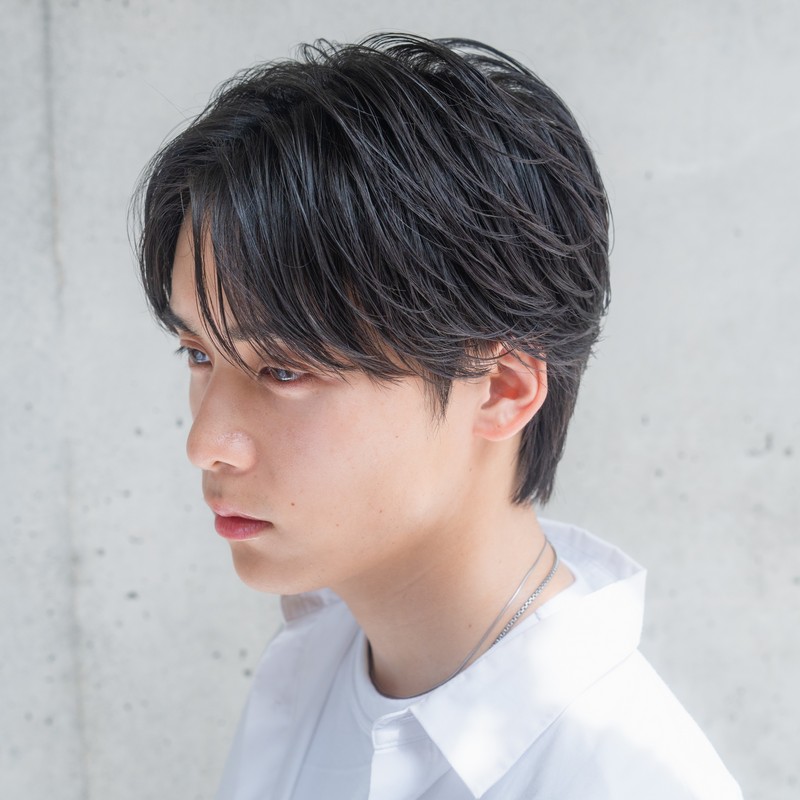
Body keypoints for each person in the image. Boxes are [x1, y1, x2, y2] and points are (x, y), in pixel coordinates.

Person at [134, 33, 741, 800]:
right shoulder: (313, 667)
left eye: (284, 370)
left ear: (500, 390)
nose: (206, 444)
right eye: (197, 354)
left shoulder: (621, 779)